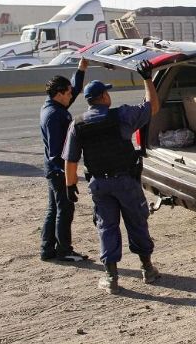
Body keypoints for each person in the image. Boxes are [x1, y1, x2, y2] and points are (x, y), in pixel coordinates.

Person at [62, 61, 161, 294]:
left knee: (106, 228)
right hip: (125, 181)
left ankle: (111, 277)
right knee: (137, 222)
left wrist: (70, 185)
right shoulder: (122, 115)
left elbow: (70, 159)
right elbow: (152, 107)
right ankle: (147, 269)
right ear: (104, 96)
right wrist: (147, 78)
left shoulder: (77, 124)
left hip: (100, 185)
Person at [39, 58, 89, 262]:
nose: (72, 96)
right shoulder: (54, 116)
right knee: (65, 209)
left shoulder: (53, 106)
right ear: (59, 94)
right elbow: (56, 152)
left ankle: (47, 249)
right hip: (58, 170)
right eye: (68, 93)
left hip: (53, 169)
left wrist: (81, 69)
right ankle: (64, 250)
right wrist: (69, 176)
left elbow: (74, 88)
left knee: (54, 209)